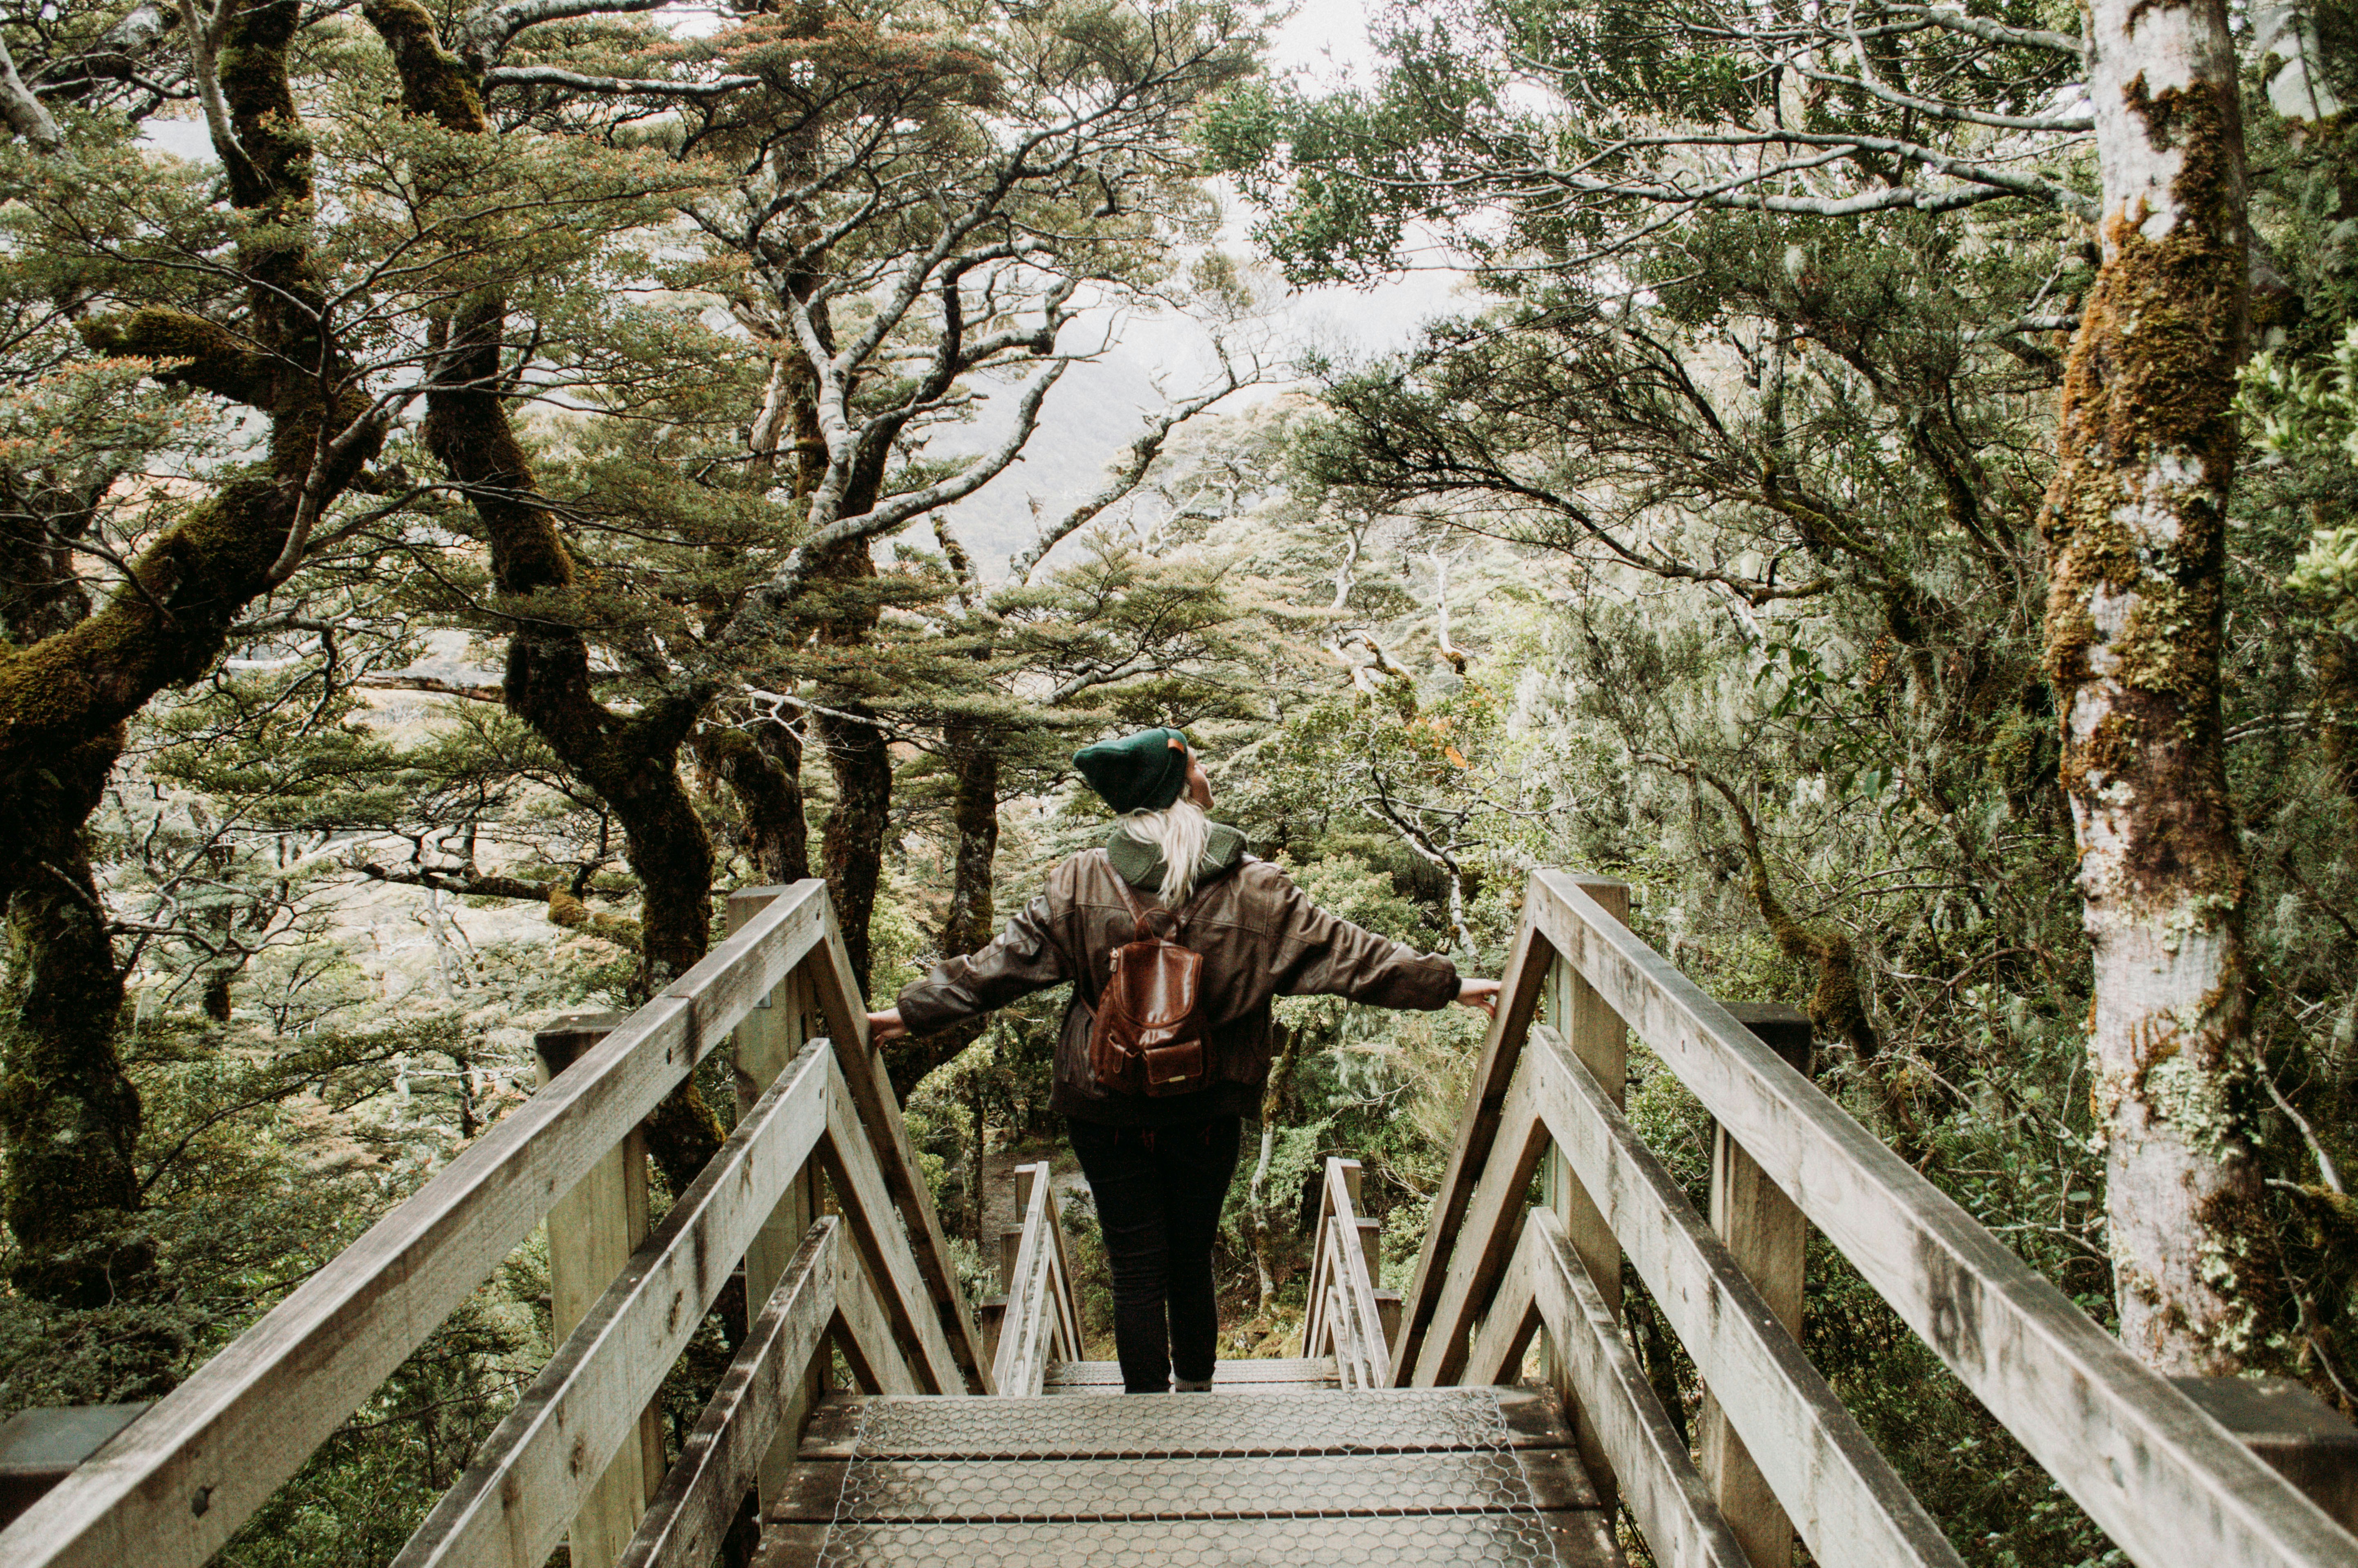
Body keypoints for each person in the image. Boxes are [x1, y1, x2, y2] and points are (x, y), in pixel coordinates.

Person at [868, 726, 1503, 1394]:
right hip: (1206, 1102)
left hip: (1103, 1100)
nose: (1205, 772)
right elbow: (1348, 956)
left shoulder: (1078, 879)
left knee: (1134, 1263)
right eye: (1194, 763)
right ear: (1178, 785)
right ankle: (1197, 1392)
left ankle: (1147, 1410)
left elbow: (1000, 968)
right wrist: (1448, 985)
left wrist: (907, 1013)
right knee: (1190, 1256)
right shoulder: (1258, 888)